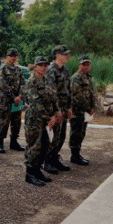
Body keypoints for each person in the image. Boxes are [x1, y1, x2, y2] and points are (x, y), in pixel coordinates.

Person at [24, 56, 61, 186]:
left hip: (47, 119)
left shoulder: (48, 81)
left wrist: (56, 113)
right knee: (34, 147)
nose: (43, 67)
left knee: (45, 146)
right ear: (35, 67)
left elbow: (54, 99)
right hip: (35, 119)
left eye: (45, 65)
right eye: (40, 65)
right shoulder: (31, 82)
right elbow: (36, 104)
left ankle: (37, 170)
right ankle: (30, 173)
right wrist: (49, 118)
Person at [45, 45, 73, 174]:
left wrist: (69, 107)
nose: (67, 56)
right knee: (53, 136)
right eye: (64, 54)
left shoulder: (65, 70)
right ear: (57, 55)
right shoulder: (51, 70)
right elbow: (51, 93)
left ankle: (55, 158)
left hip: (63, 107)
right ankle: (47, 162)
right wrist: (55, 112)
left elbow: (68, 90)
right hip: (55, 109)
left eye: (67, 54)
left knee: (61, 136)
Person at [0, 48, 25, 153]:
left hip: (18, 100)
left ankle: (14, 142)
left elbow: (23, 84)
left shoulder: (18, 70)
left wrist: (20, 96)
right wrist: (14, 97)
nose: (13, 58)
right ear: (7, 57)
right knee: (4, 122)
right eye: (11, 56)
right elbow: (3, 85)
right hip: (6, 100)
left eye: (15, 56)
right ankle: (0, 143)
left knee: (17, 122)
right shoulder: (3, 69)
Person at [69, 55, 95, 166]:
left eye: (88, 64)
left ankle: (77, 154)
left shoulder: (88, 78)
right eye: (83, 64)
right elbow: (77, 96)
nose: (86, 66)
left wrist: (92, 107)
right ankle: (74, 156)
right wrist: (88, 108)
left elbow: (91, 94)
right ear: (79, 65)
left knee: (82, 132)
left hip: (85, 111)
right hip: (77, 110)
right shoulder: (76, 78)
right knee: (76, 132)